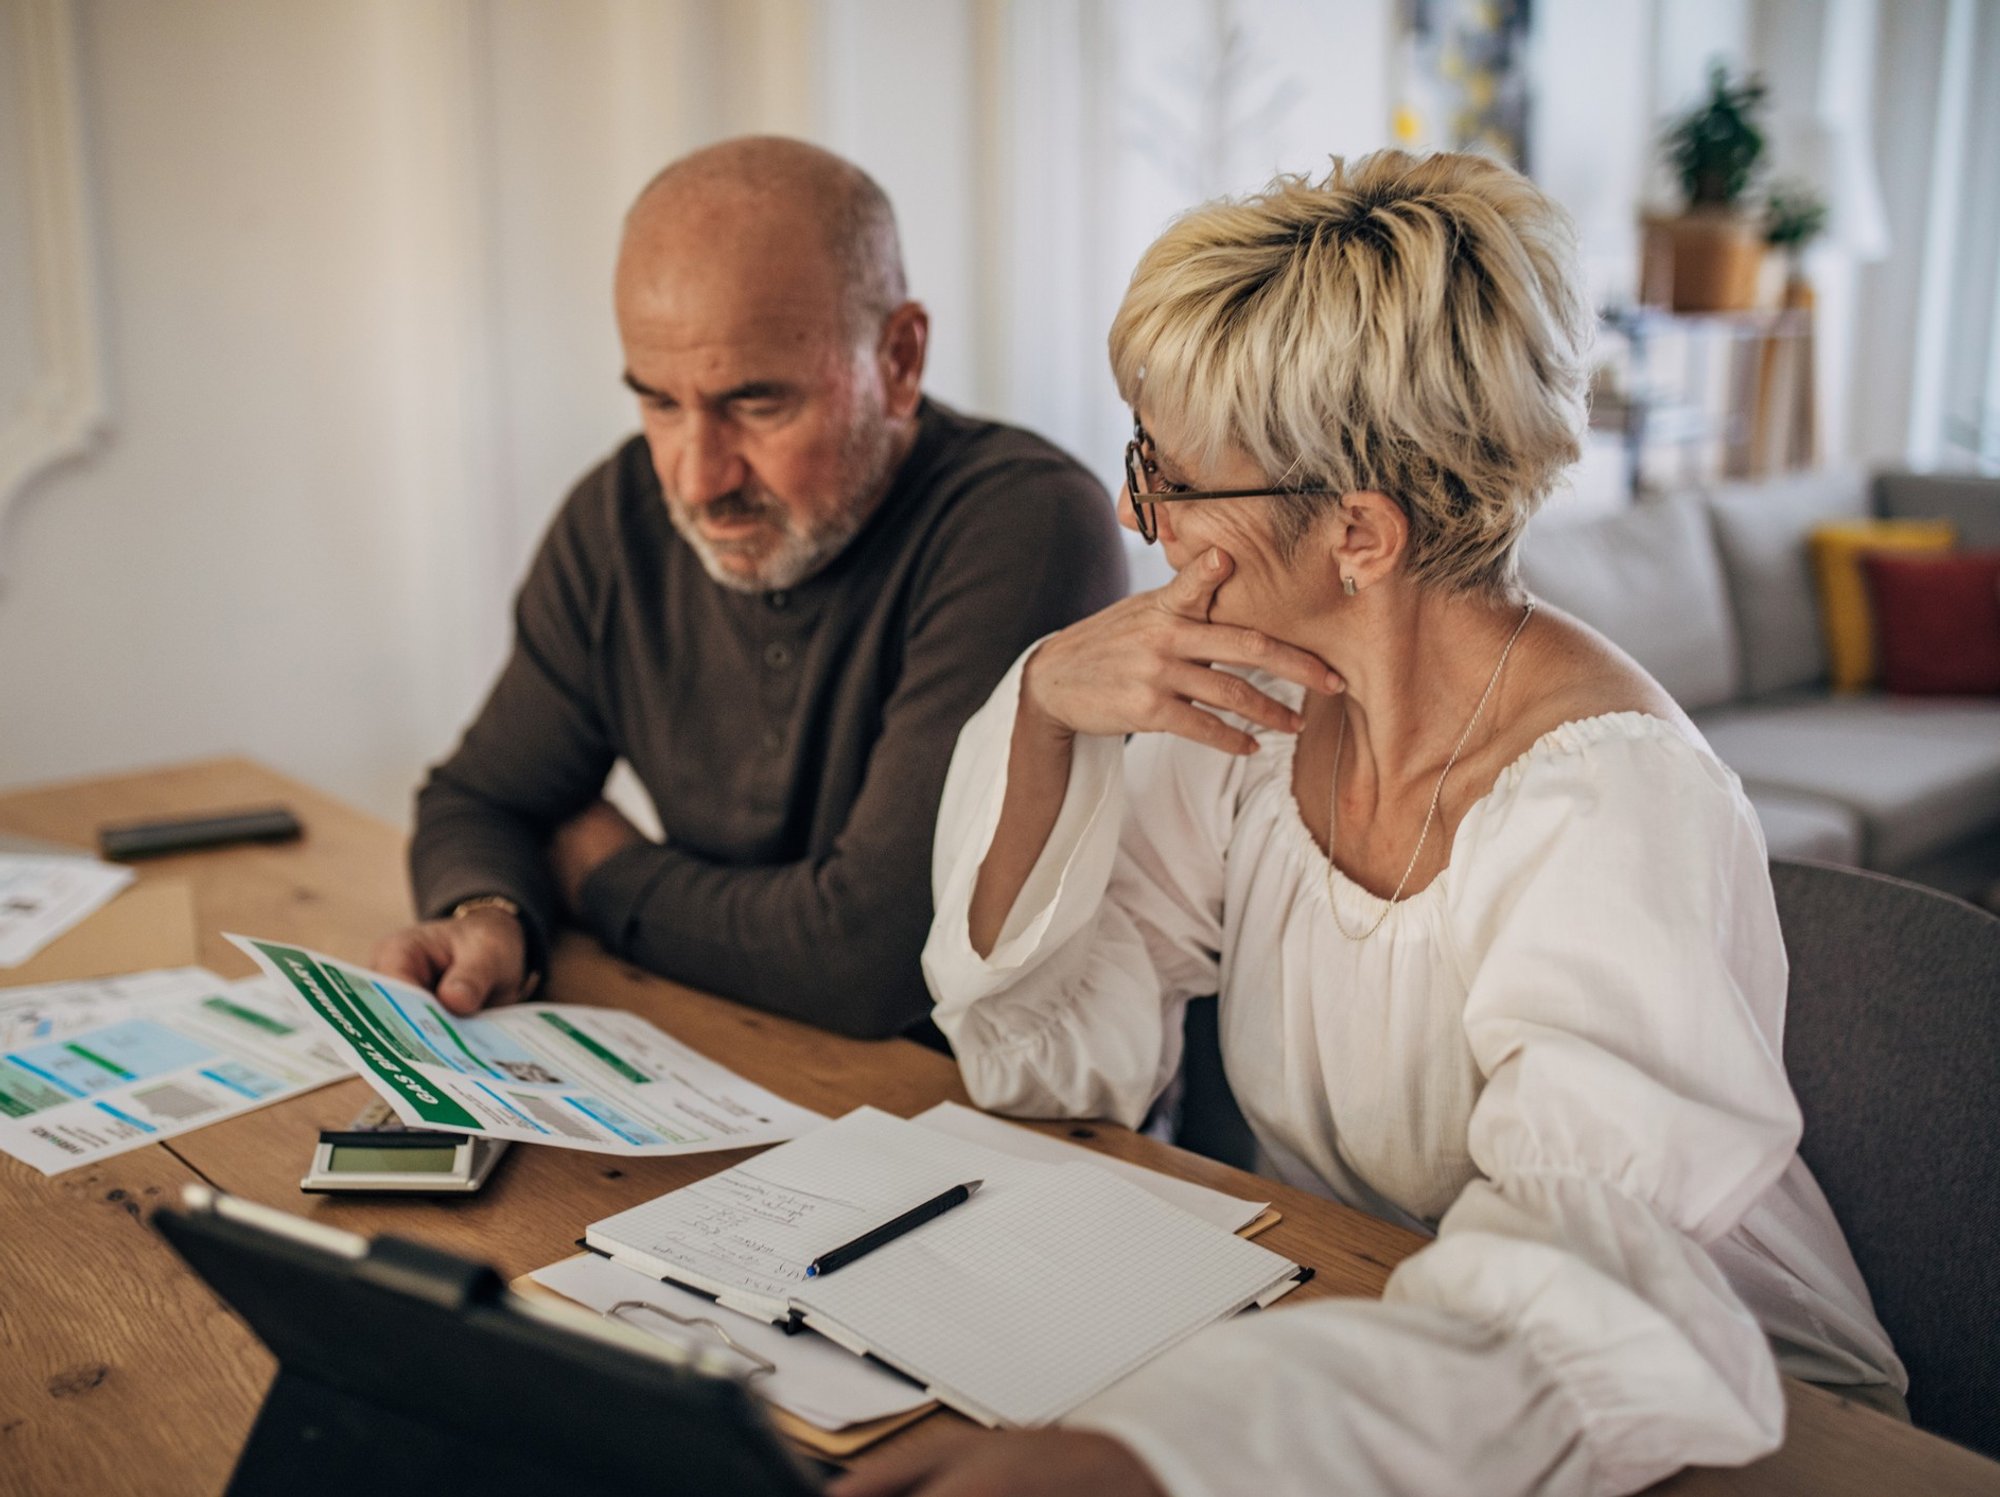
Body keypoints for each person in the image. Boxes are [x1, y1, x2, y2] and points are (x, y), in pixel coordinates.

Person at [843, 151, 1904, 1497]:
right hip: (1373, 1351)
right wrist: (1046, 711)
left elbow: (1575, 1294)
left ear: (1357, 532)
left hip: (1691, 1406)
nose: (1134, 513)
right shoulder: (1255, 710)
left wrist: (1154, 1457)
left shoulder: (1615, 805)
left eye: (1169, 477)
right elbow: (1049, 1067)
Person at [371, 137, 1125, 1038]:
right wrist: (489, 911)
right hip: (729, 1066)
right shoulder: (620, 515)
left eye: (756, 404)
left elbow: (876, 961)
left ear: (899, 359)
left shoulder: (1026, 526)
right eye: (658, 401)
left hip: (985, 1117)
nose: (696, 479)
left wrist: (598, 872)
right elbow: (481, 797)